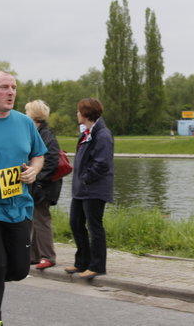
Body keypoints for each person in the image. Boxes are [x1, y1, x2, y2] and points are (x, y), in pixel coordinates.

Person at [0, 70, 47, 325]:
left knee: (18, 269)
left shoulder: (24, 122)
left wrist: (34, 170)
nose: (11, 92)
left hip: (18, 204)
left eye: (13, 87)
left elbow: (39, 154)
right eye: (4, 86)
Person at [65, 98, 114, 279]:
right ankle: (82, 262)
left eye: (78, 111)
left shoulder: (102, 135)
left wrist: (85, 179)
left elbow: (102, 164)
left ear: (86, 114)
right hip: (81, 189)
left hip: (94, 189)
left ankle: (97, 266)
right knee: (75, 223)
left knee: (95, 227)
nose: (76, 114)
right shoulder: (87, 132)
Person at [25, 100, 63, 270]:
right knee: (33, 219)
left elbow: (52, 161)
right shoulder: (38, 133)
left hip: (43, 187)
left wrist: (37, 180)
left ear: (33, 116)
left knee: (41, 220)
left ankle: (48, 256)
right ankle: (34, 256)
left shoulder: (46, 135)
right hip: (36, 184)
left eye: (27, 113)